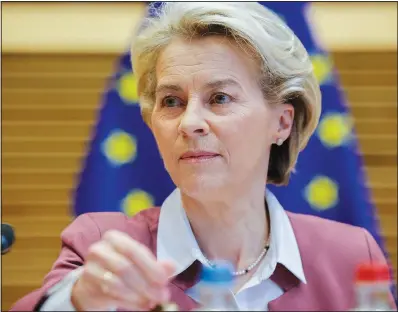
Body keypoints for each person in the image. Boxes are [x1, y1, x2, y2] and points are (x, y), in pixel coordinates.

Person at [10, 2, 396, 311]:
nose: (189, 122)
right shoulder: (103, 244)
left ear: (281, 122)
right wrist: (78, 301)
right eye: (172, 101)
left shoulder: (349, 254)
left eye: (220, 98)